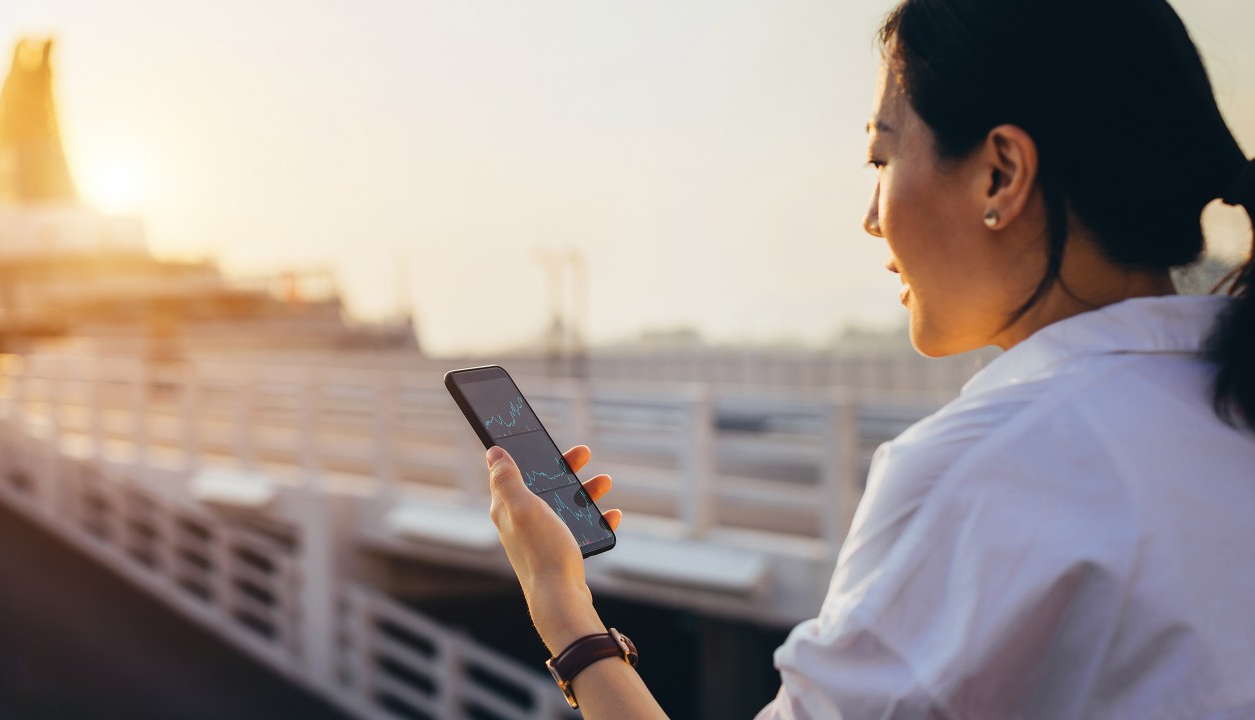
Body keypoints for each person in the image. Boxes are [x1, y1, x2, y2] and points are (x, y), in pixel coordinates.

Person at [484, 0, 1255, 716]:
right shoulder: (1223, 407)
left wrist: (562, 605)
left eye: (880, 160)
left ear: (1002, 175)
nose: (868, 219)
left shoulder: (987, 467)